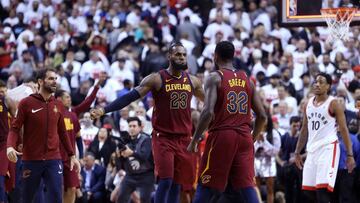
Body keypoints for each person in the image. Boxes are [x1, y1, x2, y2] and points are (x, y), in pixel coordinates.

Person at [90, 42, 204, 203]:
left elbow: (210, 102)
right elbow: (129, 97)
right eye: (178, 54)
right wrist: (104, 110)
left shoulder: (193, 81)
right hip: (163, 138)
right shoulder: (157, 79)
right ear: (169, 56)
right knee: (166, 180)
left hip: (184, 138)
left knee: (178, 184)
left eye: (184, 55)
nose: (182, 57)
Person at [187, 41, 267, 203]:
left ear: (215, 56)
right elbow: (263, 116)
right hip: (244, 136)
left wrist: (195, 139)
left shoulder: (215, 77)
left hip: (223, 135)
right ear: (234, 56)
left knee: (205, 182)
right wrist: (252, 138)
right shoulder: (247, 79)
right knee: (246, 186)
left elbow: (208, 111)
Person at [6, 68, 81, 203]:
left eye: (55, 79)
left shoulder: (58, 104)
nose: (54, 82)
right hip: (31, 160)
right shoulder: (26, 103)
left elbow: (63, 132)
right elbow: (14, 128)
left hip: (53, 159)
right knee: (28, 198)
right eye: (51, 79)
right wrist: (10, 146)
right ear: (40, 81)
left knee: (56, 197)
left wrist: (72, 155)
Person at [294, 73, 356, 203]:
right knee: (307, 191)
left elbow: (344, 129)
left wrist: (350, 155)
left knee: (322, 190)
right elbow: (304, 129)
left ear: (328, 86)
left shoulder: (333, 104)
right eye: (316, 81)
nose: (317, 84)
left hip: (328, 149)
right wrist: (297, 152)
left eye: (321, 82)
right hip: (312, 150)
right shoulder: (308, 104)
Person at [55, 77, 103, 203]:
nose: (70, 99)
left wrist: (81, 156)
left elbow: (78, 138)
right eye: (67, 97)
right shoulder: (53, 114)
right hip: (55, 157)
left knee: (72, 188)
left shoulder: (73, 114)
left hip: (70, 159)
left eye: (70, 97)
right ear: (58, 99)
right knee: (58, 188)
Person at [116, 117, 154, 203]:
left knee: (145, 199)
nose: (131, 128)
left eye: (134, 126)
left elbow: (144, 156)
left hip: (146, 175)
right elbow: (118, 159)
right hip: (130, 175)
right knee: (121, 198)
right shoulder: (124, 140)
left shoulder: (147, 139)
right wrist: (120, 166)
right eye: (130, 126)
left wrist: (131, 153)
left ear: (140, 127)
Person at [0, 80, 16, 203]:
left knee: (2, 179)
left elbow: (17, 122)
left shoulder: (6, 101)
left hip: (3, 144)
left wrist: (20, 141)